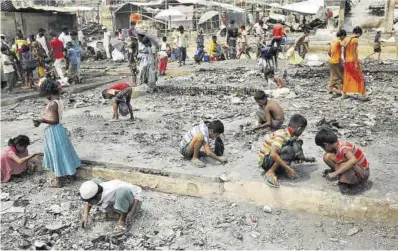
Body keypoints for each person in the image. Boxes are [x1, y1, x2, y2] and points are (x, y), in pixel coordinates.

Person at [33, 80, 81, 188]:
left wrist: (41, 121)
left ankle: (58, 180)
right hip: (58, 130)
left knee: (56, 154)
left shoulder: (52, 104)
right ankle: (71, 175)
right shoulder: (58, 101)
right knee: (64, 152)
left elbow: (55, 121)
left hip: (53, 131)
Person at [258, 114, 315, 187]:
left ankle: (282, 167)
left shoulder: (289, 134)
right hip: (265, 161)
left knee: (296, 143)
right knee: (289, 149)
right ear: (299, 129)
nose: (301, 133)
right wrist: (289, 169)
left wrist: (304, 158)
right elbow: (273, 154)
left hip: (271, 158)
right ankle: (270, 172)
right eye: (302, 130)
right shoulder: (282, 134)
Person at [315, 128, 369, 193]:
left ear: (326, 145)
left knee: (346, 166)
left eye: (323, 147)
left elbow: (353, 161)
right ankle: (341, 176)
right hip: (357, 169)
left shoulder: (343, 148)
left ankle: (347, 188)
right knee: (327, 157)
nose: (324, 149)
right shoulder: (337, 144)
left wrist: (335, 173)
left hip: (363, 173)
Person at [341, 26, 369, 101]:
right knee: (359, 78)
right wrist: (356, 63)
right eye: (360, 35)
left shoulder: (346, 39)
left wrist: (344, 59)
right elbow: (354, 52)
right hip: (353, 61)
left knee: (347, 77)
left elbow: (344, 50)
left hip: (347, 61)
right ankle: (363, 94)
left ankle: (344, 94)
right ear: (359, 33)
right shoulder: (355, 40)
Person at [328, 29, 346, 98]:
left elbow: (329, 52)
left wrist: (333, 57)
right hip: (336, 61)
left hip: (331, 61)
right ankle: (338, 90)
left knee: (333, 76)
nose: (344, 38)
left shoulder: (332, 41)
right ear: (342, 36)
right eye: (344, 37)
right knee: (340, 75)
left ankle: (330, 88)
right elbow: (344, 45)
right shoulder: (339, 41)